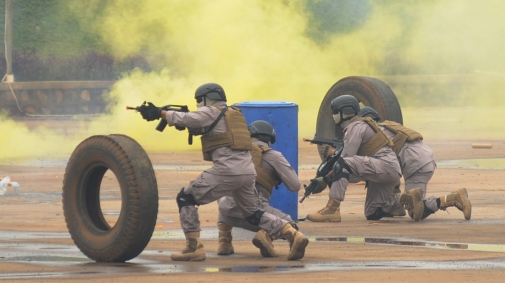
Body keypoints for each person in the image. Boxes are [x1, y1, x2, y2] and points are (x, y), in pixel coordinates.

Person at [138, 83, 308, 261]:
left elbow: (189, 119)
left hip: (227, 169)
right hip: (246, 171)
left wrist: (160, 113)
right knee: (253, 214)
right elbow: (207, 128)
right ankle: (291, 233)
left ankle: (193, 247)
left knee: (186, 197)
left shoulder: (211, 111)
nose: (198, 105)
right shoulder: (233, 114)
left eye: (199, 101)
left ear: (206, 98)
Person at [306, 95, 403, 222]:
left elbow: (345, 160)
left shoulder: (355, 127)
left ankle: (332, 209)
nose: (333, 116)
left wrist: (325, 178)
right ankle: (399, 204)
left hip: (384, 167)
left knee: (342, 164)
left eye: (335, 112)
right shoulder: (361, 125)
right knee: (371, 213)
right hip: (389, 170)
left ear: (346, 112)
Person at [216, 120, 301, 257]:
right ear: (270, 139)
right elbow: (295, 186)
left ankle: (224, 241)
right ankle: (266, 236)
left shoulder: (235, 153)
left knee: (226, 193)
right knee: (289, 223)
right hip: (254, 214)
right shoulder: (273, 155)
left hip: (227, 213)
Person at [376, 113, 472, 221]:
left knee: (416, 211)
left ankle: (455, 198)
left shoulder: (377, 136)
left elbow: (389, 169)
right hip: (424, 158)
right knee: (413, 203)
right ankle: (406, 198)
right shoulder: (389, 126)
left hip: (416, 166)